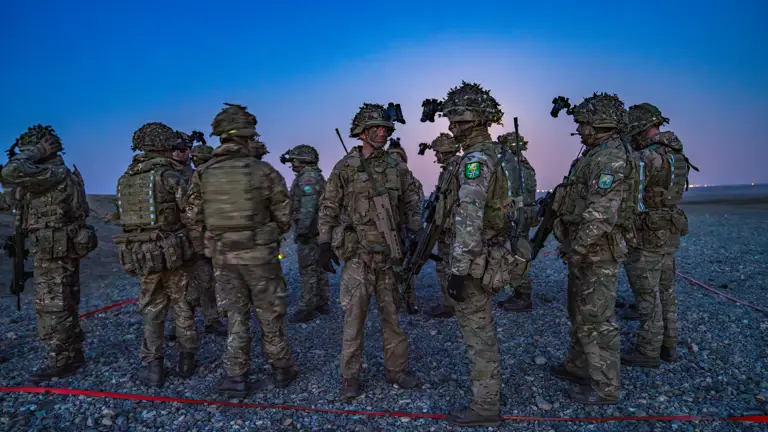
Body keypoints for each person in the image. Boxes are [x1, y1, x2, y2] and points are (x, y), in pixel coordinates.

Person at [432, 81, 531, 426]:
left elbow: (469, 217)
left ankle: (485, 406)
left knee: (478, 333)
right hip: (491, 252)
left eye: (458, 122)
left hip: (475, 259)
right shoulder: (499, 157)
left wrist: (457, 270)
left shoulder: (475, 161)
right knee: (481, 330)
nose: (452, 128)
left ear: (474, 122)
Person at [184, 103, 298, 396]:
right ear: (248, 137)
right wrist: (266, 234)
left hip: (223, 258)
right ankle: (281, 368)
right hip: (260, 257)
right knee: (270, 314)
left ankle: (235, 377)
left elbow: (192, 217)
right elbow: (285, 216)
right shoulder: (263, 171)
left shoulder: (203, 173)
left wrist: (209, 246)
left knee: (235, 316)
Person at [316, 102, 422, 400]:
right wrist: (324, 243)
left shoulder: (397, 167)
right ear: (361, 133)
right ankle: (350, 376)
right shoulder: (345, 167)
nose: (381, 133)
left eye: (385, 129)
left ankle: (396, 370)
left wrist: (416, 230)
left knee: (393, 319)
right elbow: (328, 206)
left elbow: (411, 201)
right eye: (375, 128)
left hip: (390, 257)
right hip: (358, 257)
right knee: (353, 321)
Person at [549, 92, 640, 404]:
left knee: (597, 320)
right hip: (583, 248)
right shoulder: (592, 155)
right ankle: (577, 366)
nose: (579, 130)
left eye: (584, 124)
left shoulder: (610, 159)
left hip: (597, 251)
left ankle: (606, 388)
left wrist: (576, 247)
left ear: (602, 124)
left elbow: (600, 214)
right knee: (578, 313)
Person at [1, 125, 98, 382]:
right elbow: (11, 198)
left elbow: (11, 171)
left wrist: (34, 153)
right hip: (57, 246)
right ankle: (72, 354)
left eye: (29, 150)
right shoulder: (47, 175)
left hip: (54, 248)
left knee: (52, 306)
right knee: (65, 301)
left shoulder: (51, 171)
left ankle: (61, 359)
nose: (24, 155)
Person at [112, 122, 200, 387]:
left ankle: (153, 367)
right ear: (164, 146)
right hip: (173, 249)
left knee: (151, 307)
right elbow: (193, 212)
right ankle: (187, 358)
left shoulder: (125, 180)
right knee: (182, 302)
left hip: (141, 252)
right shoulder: (170, 176)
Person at [621, 103, 696, 366]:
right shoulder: (676, 154)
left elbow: (630, 197)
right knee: (667, 292)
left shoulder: (646, 158)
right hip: (669, 228)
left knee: (647, 296)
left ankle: (647, 352)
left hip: (647, 232)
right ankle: (669, 346)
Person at [284, 144, 331, 323]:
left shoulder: (308, 178)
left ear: (303, 160)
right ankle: (322, 301)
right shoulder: (313, 175)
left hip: (311, 231)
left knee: (308, 269)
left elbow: (308, 207)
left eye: (294, 160)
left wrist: (303, 230)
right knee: (318, 265)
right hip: (317, 230)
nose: (292, 164)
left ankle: (307, 307)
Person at [495, 132, 538, 312]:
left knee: (516, 254)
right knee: (520, 252)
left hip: (516, 215)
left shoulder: (513, 167)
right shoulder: (526, 166)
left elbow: (512, 194)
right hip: (525, 214)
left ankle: (523, 295)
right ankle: (519, 292)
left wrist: (507, 215)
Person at [423, 132, 461, 319]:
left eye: (438, 152)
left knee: (447, 267)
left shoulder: (455, 169)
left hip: (451, 228)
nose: (436, 156)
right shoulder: (450, 169)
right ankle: (451, 303)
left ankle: (450, 305)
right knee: (447, 266)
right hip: (447, 227)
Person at [386, 138, 422, 315]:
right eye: (391, 156)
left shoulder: (411, 181)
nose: (395, 160)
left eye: (398, 156)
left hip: (405, 230)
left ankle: (409, 300)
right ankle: (393, 300)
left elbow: (416, 206)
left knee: (407, 267)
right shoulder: (380, 180)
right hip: (386, 229)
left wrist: (415, 231)